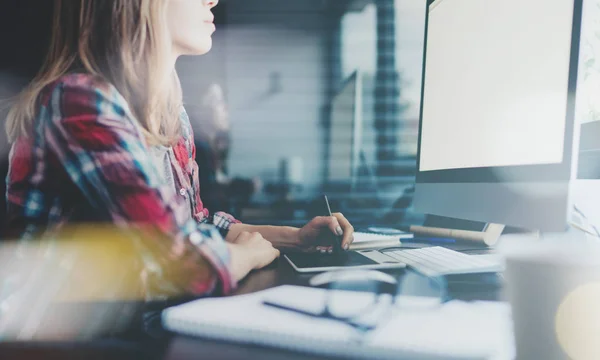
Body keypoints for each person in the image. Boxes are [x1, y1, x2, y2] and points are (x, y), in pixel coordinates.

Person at [4, 0, 354, 309]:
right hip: (50, 339)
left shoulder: (170, 113)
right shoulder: (79, 102)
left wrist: (296, 238)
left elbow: (193, 227)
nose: (212, 0)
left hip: (126, 322)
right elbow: (186, 265)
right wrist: (245, 255)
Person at [190, 83, 259, 216]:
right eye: (218, 101)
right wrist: (243, 186)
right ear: (200, 111)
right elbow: (210, 193)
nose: (226, 107)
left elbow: (219, 180)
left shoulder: (215, 145)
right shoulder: (198, 149)